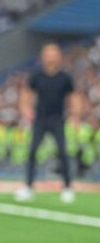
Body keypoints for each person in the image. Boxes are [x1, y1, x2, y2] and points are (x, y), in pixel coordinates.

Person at [14, 43, 75, 203]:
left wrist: (75, 115)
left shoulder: (65, 78)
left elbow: (74, 96)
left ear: (59, 56)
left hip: (57, 119)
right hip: (40, 119)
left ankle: (67, 187)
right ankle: (28, 186)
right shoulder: (37, 76)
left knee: (62, 152)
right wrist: (25, 108)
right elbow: (26, 92)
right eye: (47, 54)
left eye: (53, 54)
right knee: (32, 151)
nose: (50, 57)